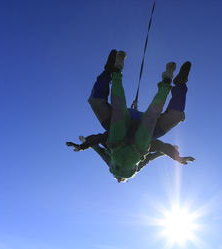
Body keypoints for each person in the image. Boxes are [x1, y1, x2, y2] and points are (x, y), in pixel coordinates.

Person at [66, 49, 194, 182]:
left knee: (101, 103)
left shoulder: (110, 163)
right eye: (121, 179)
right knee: (175, 116)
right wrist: (175, 155)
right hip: (140, 142)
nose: (119, 178)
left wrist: (83, 145)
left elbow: (99, 147)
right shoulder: (136, 169)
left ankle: (112, 71)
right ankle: (176, 83)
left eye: (117, 178)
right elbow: (154, 154)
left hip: (117, 136)